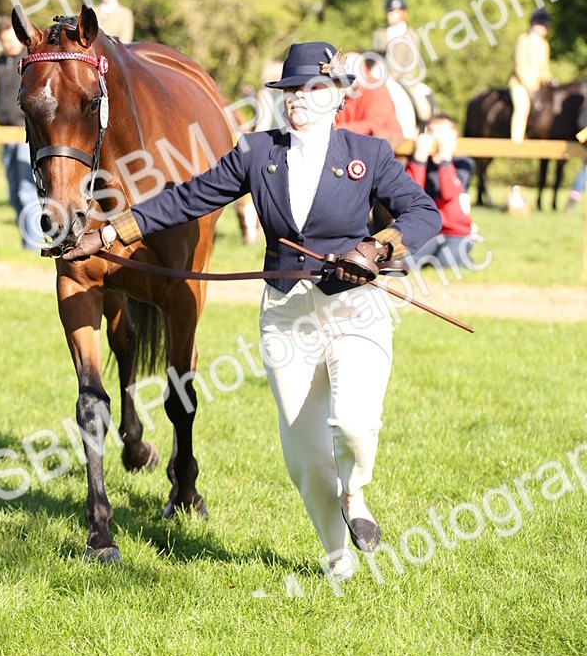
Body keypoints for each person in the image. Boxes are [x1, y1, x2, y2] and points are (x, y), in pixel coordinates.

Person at [64, 41, 441, 580]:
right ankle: (338, 558)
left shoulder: (369, 155)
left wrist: (377, 248)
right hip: (287, 313)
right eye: (290, 91)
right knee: (305, 456)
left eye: (311, 91)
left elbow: (423, 211)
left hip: (356, 308)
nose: (297, 101)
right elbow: (184, 199)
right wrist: (110, 231)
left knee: (354, 425)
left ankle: (355, 493)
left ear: (337, 98)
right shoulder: (256, 153)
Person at [405, 115, 477, 269]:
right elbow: (411, 194)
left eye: (441, 131)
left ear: (454, 135)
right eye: (431, 131)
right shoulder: (422, 161)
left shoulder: (463, 162)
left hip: (457, 232)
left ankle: (465, 256)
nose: (435, 136)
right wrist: (419, 159)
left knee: (445, 263)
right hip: (429, 231)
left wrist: (445, 159)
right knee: (407, 261)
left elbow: (449, 192)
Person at [0, 16, 37, 251]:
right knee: (12, 192)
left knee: (27, 190)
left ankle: (34, 244)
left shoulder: (29, 59)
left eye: (11, 39)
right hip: (4, 134)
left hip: (24, 134)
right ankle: (25, 241)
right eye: (4, 40)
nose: (8, 44)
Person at [373, 0, 434, 126]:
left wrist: (392, 78)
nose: (388, 15)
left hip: (404, 78)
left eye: (392, 12)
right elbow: (375, 58)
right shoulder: (380, 34)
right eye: (388, 12)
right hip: (381, 77)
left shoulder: (411, 34)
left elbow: (410, 61)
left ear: (401, 13)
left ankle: (423, 127)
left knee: (423, 109)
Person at [334, 53, 406, 150]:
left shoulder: (375, 87)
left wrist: (337, 129)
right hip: (350, 141)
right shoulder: (339, 93)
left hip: (383, 142)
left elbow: (373, 125)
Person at [509, 9, 553, 143]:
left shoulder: (544, 45)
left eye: (544, 26)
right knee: (522, 107)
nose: (542, 28)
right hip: (520, 83)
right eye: (540, 25)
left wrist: (549, 79)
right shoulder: (523, 40)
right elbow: (519, 65)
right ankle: (516, 141)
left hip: (538, 84)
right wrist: (527, 84)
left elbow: (544, 67)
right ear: (533, 24)